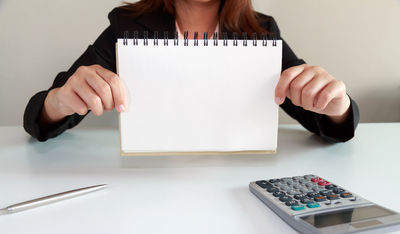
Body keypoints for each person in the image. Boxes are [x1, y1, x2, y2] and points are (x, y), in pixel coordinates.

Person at [23, 0, 359, 142]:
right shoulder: (126, 26)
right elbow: (38, 117)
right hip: (145, 181)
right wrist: (61, 101)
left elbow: (325, 122)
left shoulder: (261, 31)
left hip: (239, 182)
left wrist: (337, 107)